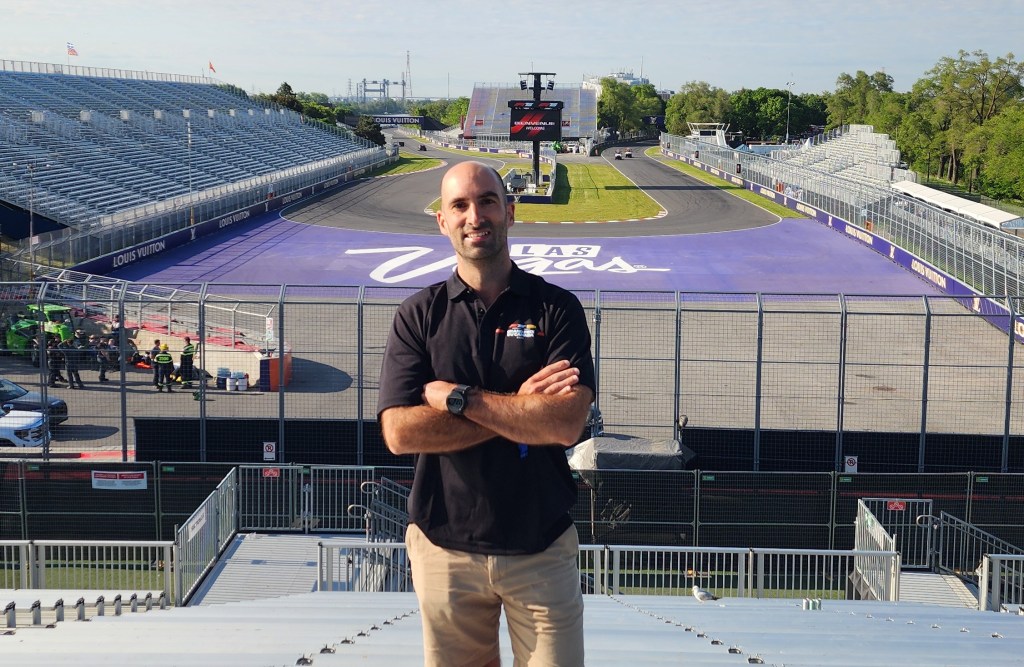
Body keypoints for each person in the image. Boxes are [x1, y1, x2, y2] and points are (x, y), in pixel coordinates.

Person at [377, 161, 595, 667]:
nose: (475, 216)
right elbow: (400, 432)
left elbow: (564, 424)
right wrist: (520, 406)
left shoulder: (556, 309)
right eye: (459, 205)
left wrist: (461, 400)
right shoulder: (418, 315)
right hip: (444, 550)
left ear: (509, 212)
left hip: (541, 545)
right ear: (443, 221)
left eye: (487, 201)